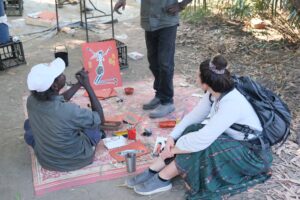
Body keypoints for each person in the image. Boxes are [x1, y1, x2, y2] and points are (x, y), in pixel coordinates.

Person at [124, 55, 273, 199]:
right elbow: (193, 117)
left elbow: (203, 139)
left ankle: (163, 178)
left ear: (205, 83)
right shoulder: (214, 92)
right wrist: (172, 138)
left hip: (251, 153)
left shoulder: (231, 104)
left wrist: (171, 150)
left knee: (202, 145)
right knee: (192, 129)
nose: (196, 78)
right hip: (233, 140)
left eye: (198, 75)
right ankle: (153, 169)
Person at [24, 58, 105, 172]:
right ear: (55, 86)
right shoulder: (69, 110)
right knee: (94, 126)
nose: (63, 75)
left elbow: (61, 98)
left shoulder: (31, 100)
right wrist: (88, 86)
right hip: (76, 159)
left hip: (46, 160)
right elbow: (100, 118)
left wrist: (79, 84)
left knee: (29, 124)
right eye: (60, 74)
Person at [114, 0, 192, 118]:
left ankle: (167, 101)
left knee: (165, 64)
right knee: (153, 62)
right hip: (149, 21)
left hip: (167, 20)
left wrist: (181, 5)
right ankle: (159, 94)